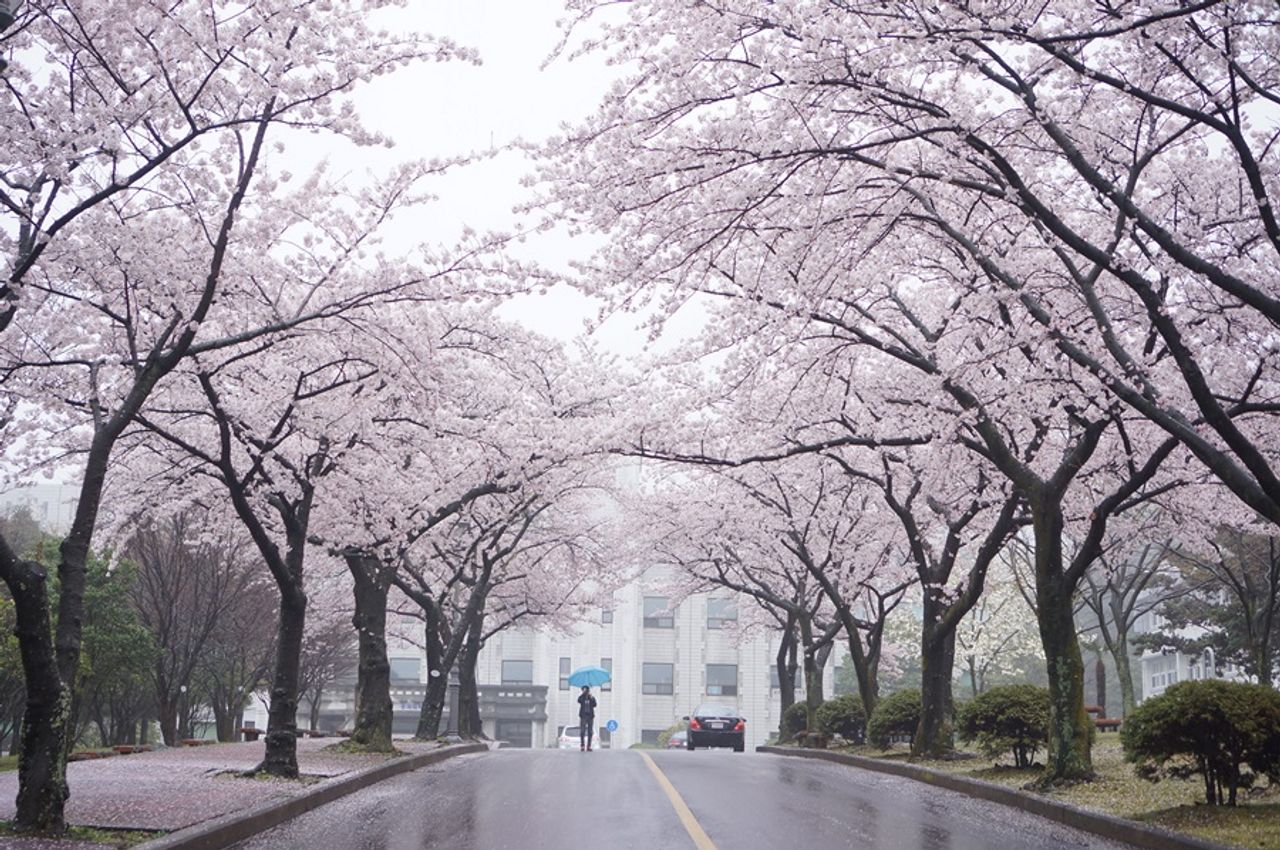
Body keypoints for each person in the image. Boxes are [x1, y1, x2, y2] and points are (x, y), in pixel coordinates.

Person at [577, 685, 597, 751]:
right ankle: (582, 745)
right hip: (583, 716)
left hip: (590, 716)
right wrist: (583, 694)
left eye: (586, 690)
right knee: (582, 731)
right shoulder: (582, 697)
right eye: (584, 690)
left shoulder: (591, 697)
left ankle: (589, 746)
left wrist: (591, 697)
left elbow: (595, 704)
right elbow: (578, 700)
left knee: (590, 732)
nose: (585, 691)